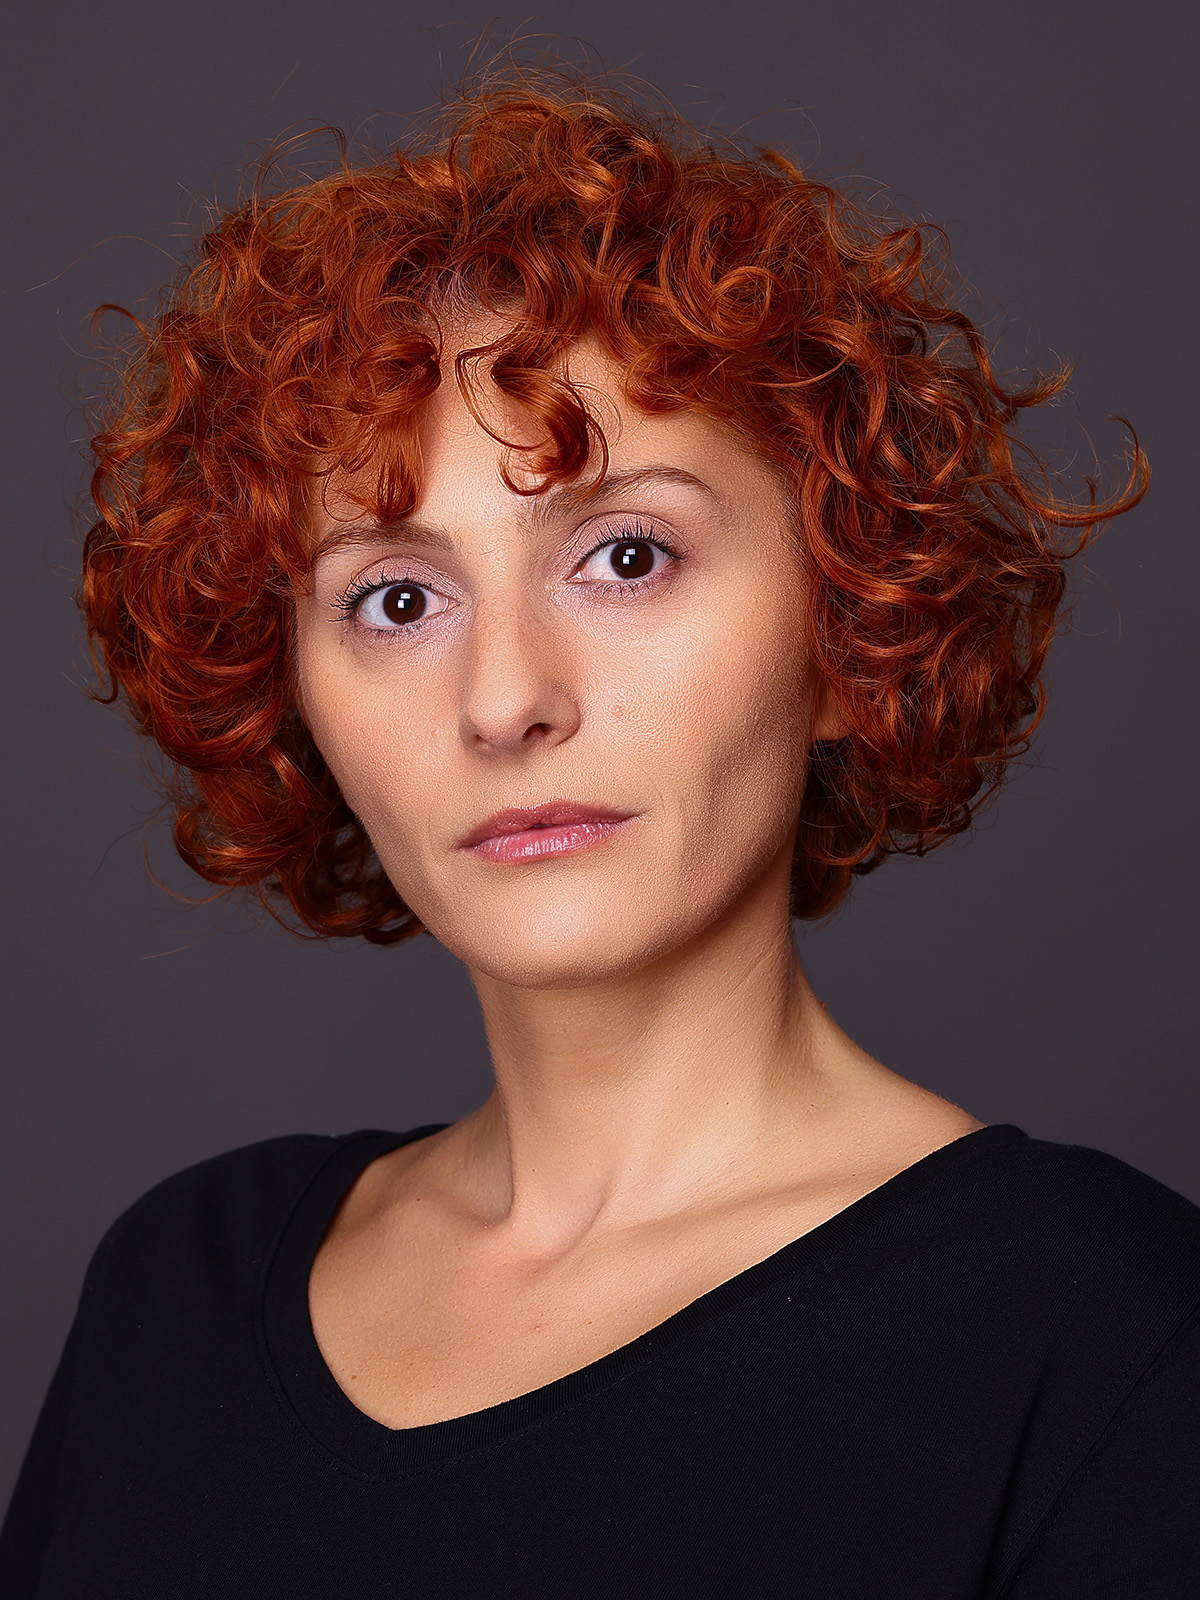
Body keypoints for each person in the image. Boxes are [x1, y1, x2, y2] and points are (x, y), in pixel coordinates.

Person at [2, 66, 1196, 1599]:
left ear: (846, 628)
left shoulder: (1108, 1342)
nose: (506, 698)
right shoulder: (181, 1287)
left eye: (627, 556)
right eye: (397, 598)